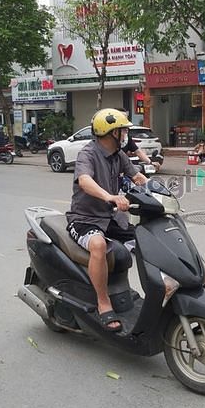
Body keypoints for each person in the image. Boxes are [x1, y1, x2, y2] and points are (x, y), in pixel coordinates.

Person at [66, 108, 148, 332]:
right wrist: (109, 196)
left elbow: (137, 177)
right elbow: (85, 180)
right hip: (85, 219)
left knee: (147, 239)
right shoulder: (87, 154)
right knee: (98, 245)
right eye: (123, 131)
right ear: (112, 133)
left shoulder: (119, 155)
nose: (126, 136)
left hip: (111, 217)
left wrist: (157, 190)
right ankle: (103, 303)